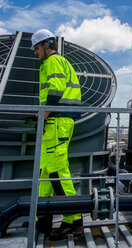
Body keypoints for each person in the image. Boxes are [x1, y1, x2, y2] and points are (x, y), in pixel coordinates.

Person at [31, 29, 83, 240]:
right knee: (44, 172)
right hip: (54, 122)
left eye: (36, 48)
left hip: (57, 122)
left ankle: (73, 221)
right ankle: (42, 219)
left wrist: (42, 115)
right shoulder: (55, 62)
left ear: (45, 45)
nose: (35, 53)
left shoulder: (53, 61)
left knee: (57, 173)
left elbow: (55, 90)